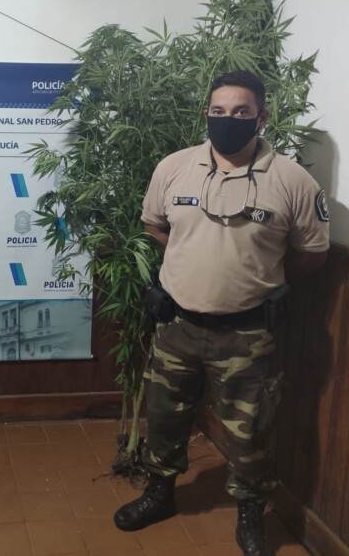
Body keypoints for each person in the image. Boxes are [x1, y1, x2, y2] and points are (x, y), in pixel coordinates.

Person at [113, 70, 329, 556]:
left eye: (240, 112)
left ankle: (251, 519)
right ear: (206, 114)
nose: (227, 119)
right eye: (218, 111)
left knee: (251, 434)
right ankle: (159, 494)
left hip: (247, 334)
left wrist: (265, 280)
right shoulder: (174, 167)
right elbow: (155, 227)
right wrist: (189, 267)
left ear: (261, 117)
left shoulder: (293, 180)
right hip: (178, 326)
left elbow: (312, 254)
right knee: (164, 419)